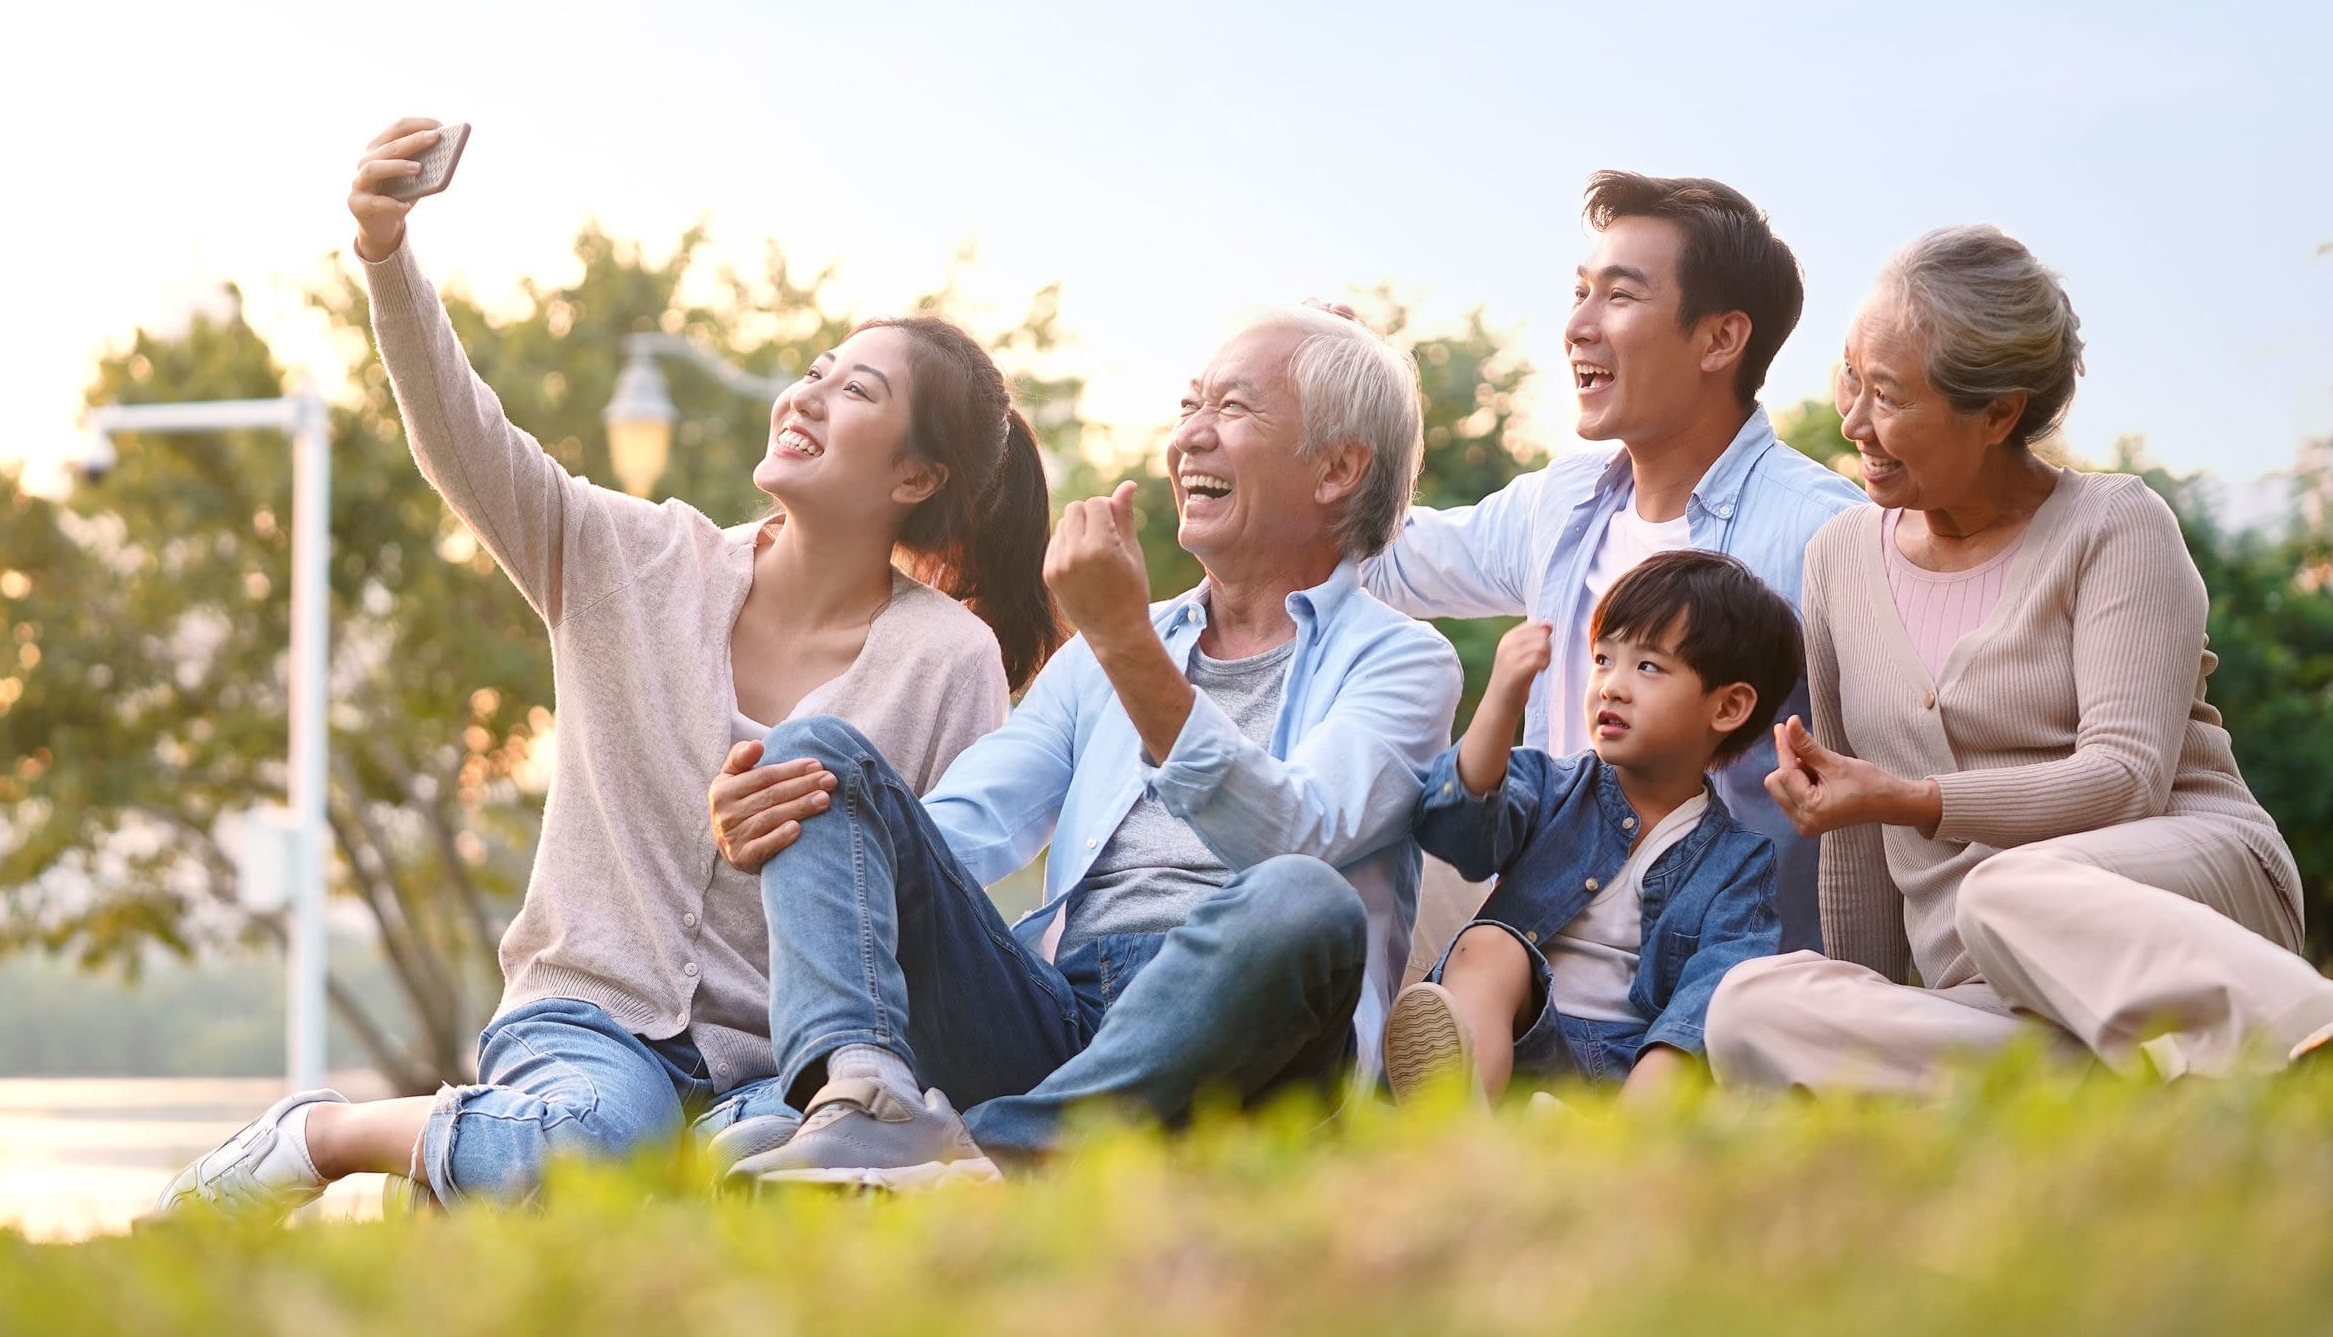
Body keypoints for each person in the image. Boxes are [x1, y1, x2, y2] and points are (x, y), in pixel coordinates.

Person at [152, 117, 1061, 1220]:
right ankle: (328, 1134)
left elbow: (933, 905)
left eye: (856, 392)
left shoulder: (947, 659)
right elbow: (464, 438)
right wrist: (386, 256)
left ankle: (501, 1167)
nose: (805, 396)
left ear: (917, 475)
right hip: (587, 1024)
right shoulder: (630, 557)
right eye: (814, 372)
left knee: (764, 1155)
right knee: (595, 1142)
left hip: (783, 1061)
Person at [704, 306, 1462, 1187]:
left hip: (1251, 1026)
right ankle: (862, 1103)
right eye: (1189, 408)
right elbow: (960, 826)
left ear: (1337, 469)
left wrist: (1127, 647)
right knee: (821, 754)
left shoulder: (1404, 659)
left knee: (1304, 899)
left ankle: (985, 1153)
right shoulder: (1101, 655)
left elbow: (1296, 837)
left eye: (1235, 411)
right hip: (1065, 1013)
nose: (1191, 439)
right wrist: (827, 830)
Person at [1706, 224, 2333, 1092]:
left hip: (2183, 895)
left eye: (1887, 395)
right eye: (1851, 376)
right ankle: (2109, 1081)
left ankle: (2306, 1031)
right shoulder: (1841, 557)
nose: (1853, 421)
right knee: (1751, 1006)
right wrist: (1869, 1000)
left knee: (2005, 891)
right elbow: (1855, 844)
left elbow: (2125, 780)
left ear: (1998, 412)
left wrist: (1914, 798)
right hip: (1991, 983)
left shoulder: (2115, 525)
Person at [1360, 172, 1863, 957]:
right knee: (1374, 831)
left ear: (1720, 339)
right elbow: (1383, 562)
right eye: (1580, 292)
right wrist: (1332, 395)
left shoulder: (1825, 535)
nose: (1578, 327)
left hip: (1709, 954)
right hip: (1546, 914)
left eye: (1620, 297)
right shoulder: (1565, 501)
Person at [1384, 550, 1798, 1106]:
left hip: (1636, 1066)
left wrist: (1661, 1073)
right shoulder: (1550, 788)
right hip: (1520, 1038)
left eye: (1647, 666)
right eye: (1603, 659)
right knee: (1489, 945)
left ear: (1727, 708)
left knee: (1707, 1011)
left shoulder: (1738, 860)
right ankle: (1460, 1117)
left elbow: (1711, 989)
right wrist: (1504, 697)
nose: (1612, 686)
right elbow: (1456, 832)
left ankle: (1620, 1142)